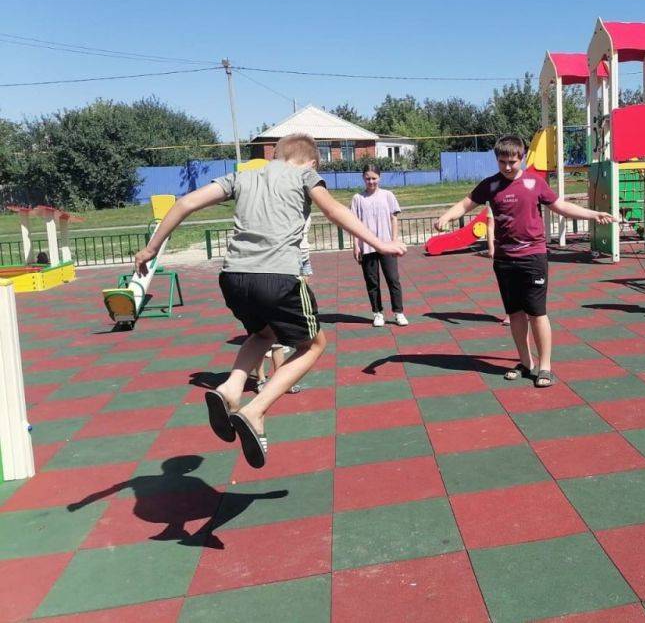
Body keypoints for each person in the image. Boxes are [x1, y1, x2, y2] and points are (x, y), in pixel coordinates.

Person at [133, 134, 405, 468]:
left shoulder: (241, 176)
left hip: (233, 277)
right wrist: (380, 243)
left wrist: (150, 248)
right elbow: (333, 210)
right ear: (310, 160)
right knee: (314, 345)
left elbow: (185, 203)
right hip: (278, 276)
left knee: (263, 335)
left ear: (275, 155)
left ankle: (231, 389)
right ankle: (255, 410)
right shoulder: (305, 175)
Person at [435, 135, 615, 387]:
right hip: (504, 259)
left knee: (537, 313)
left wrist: (593, 214)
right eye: (502, 162)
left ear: (521, 158)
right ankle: (525, 361)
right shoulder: (490, 185)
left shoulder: (535, 183)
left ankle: (545, 366)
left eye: (512, 161)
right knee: (515, 314)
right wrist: (446, 217)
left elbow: (561, 206)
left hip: (532, 257)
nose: (507, 167)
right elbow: (465, 204)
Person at [352, 164, 408, 327]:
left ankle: (398, 312)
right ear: (363, 178)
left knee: (393, 279)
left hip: (387, 245)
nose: (371, 181)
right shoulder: (358, 198)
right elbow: (354, 224)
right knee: (372, 282)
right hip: (367, 247)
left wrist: (395, 240)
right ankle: (377, 313)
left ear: (379, 178)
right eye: (368, 178)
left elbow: (394, 219)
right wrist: (356, 245)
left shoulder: (387, 195)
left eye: (374, 178)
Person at [485, 206, 510, 325]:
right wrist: (491, 247)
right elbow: (490, 225)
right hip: (503, 249)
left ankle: (526, 312)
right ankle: (511, 314)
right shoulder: (492, 201)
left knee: (518, 284)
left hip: (522, 247)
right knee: (508, 284)